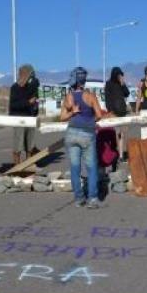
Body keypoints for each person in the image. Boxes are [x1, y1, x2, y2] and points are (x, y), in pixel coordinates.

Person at [61, 67, 105, 209]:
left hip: (71, 132)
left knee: (75, 168)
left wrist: (73, 112)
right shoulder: (90, 96)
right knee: (91, 168)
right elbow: (99, 115)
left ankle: (79, 198)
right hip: (87, 133)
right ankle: (92, 198)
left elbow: (62, 117)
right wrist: (91, 117)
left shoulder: (68, 97)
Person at [9, 64, 39, 166]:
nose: (31, 78)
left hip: (29, 118)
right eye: (30, 75)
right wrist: (28, 103)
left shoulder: (32, 87)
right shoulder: (15, 88)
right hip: (19, 118)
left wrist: (35, 108)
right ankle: (16, 166)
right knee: (18, 145)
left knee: (30, 144)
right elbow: (13, 105)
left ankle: (28, 165)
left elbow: (35, 101)